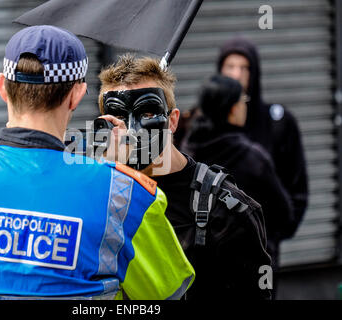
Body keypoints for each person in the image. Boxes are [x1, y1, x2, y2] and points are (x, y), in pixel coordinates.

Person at [0, 25, 194, 300]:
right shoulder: (128, 197)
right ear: (77, 94)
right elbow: (166, 292)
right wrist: (116, 175)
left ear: (2, 87)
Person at [97, 54, 272, 300]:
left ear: (173, 121)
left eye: (147, 113)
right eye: (118, 117)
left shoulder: (226, 211)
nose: (131, 130)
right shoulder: (95, 200)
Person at [180, 75, 294, 275]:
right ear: (233, 109)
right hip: (250, 269)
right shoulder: (253, 158)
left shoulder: (185, 152)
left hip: (197, 266)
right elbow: (284, 214)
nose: (245, 105)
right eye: (243, 100)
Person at [217, 36, 308, 242]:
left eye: (244, 67)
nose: (236, 74)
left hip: (262, 246)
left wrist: (275, 234)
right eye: (230, 66)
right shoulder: (204, 124)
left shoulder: (278, 122)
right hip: (216, 249)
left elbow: (297, 184)